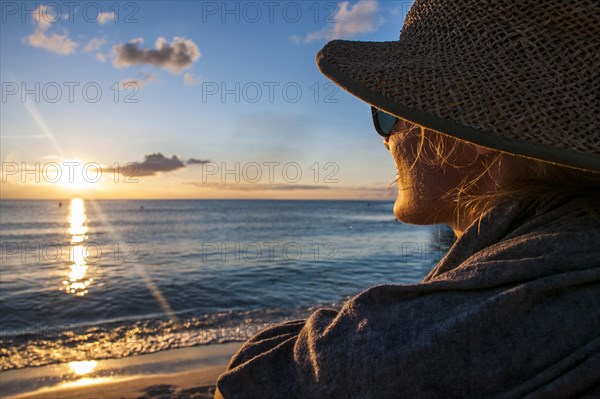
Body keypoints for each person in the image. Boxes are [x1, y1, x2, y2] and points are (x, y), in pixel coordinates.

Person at [215, 0, 600, 397]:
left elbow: (249, 384)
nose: (385, 139)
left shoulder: (457, 331)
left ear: (472, 124)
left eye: (388, 114)